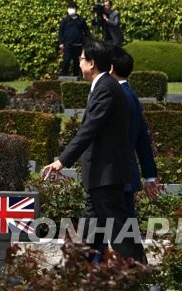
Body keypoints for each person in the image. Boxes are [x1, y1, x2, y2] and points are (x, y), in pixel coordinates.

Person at [41, 40, 145, 263]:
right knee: (90, 234)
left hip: (106, 175)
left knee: (120, 234)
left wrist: (62, 161)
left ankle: (139, 276)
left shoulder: (106, 88)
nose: (78, 64)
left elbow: (89, 129)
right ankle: (80, 276)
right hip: (99, 176)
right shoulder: (104, 86)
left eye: (80, 59)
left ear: (92, 63)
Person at [110, 46, 159, 218]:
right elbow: (143, 138)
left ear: (110, 68)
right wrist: (149, 175)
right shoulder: (131, 95)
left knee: (122, 236)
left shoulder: (114, 96)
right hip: (124, 178)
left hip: (113, 178)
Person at [57, 0, 92, 78]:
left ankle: (75, 77)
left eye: (72, 8)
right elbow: (60, 33)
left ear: (76, 9)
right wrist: (61, 43)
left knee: (76, 63)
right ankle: (63, 77)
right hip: (68, 45)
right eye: (69, 8)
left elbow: (86, 31)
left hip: (78, 45)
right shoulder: (64, 20)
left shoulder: (81, 20)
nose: (71, 9)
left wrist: (90, 41)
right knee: (66, 60)